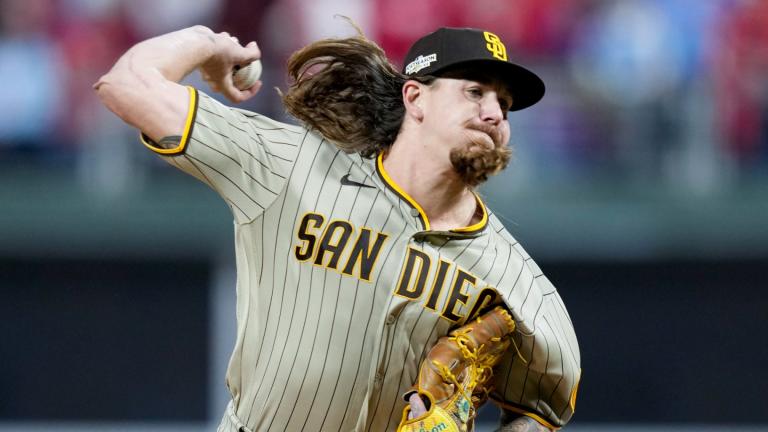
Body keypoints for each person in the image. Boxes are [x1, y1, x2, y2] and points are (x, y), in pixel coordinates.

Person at [95, 22, 580, 432]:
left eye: (504, 104)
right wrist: (209, 43)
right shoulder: (292, 167)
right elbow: (126, 85)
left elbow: (541, 412)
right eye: (475, 92)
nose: (495, 114)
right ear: (415, 98)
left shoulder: (518, 282)